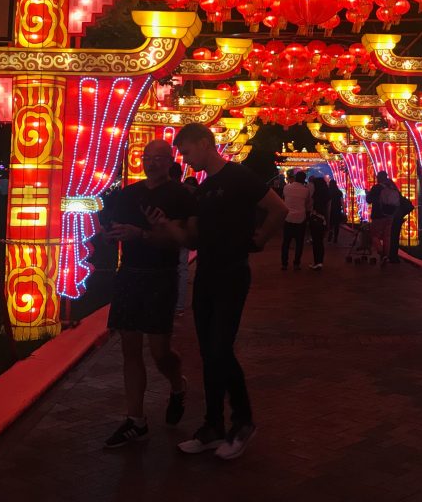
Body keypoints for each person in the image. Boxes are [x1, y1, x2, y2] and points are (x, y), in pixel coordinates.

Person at [172, 123, 287, 460]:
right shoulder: (206, 188)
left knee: (220, 348)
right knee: (209, 352)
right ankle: (212, 426)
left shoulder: (238, 177)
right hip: (206, 274)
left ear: (206, 144)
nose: (186, 159)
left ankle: (243, 421)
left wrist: (261, 238)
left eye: (188, 151)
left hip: (231, 274)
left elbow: (278, 208)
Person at [100, 139, 195, 448]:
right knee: (130, 348)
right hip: (130, 273)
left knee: (159, 351)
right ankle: (135, 420)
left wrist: (142, 233)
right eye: (146, 157)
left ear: (170, 162)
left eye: (158, 158)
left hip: (160, 275)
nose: (151, 162)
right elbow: (114, 226)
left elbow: (179, 243)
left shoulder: (179, 195)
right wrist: (109, 232)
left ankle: (177, 385)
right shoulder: (129, 193)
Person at [169, 161, 191, 316]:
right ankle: (179, 305)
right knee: (182, 269)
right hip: (183, 233)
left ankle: (171, 303)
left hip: (168, 235)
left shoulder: (166, 191)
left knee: (169, 268)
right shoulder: (189, 191)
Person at [281, 170, 311, 270]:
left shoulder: (286, 187)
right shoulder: (306, 190)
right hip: (300, 219)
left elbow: (284, 199)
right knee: (299, 243)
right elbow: (307, 204)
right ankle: (296, 263)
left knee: (286, 242)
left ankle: (284, 263)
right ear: (304, 179)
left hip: (288, 217)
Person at [366, 171, 400, 261]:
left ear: (379, 178)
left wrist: (368, 194)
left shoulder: (376, 188)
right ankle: (386, 255)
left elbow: (368, 200)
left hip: (378, 215)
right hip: (390, 215)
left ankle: (381, 252)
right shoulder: (393, 187)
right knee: (387, 236)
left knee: (374, 235)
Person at [307, 176, 330, 270]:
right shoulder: (327, 196)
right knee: (320, 241)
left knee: (315, 241)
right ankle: (320, 262)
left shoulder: (315, 195)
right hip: (323, 220)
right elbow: (328, 210)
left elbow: (309, 206)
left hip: (315, 218)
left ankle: (316, 262)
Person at [327, 178, 345, 243]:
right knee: (337, 225)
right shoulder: (339, 192)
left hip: (330, 210)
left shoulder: (328, 192)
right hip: (337, 210)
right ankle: (335, 238)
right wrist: (344, 211)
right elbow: (342, 202)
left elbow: (328, 202)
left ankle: (330, 234)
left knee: (331, 224)